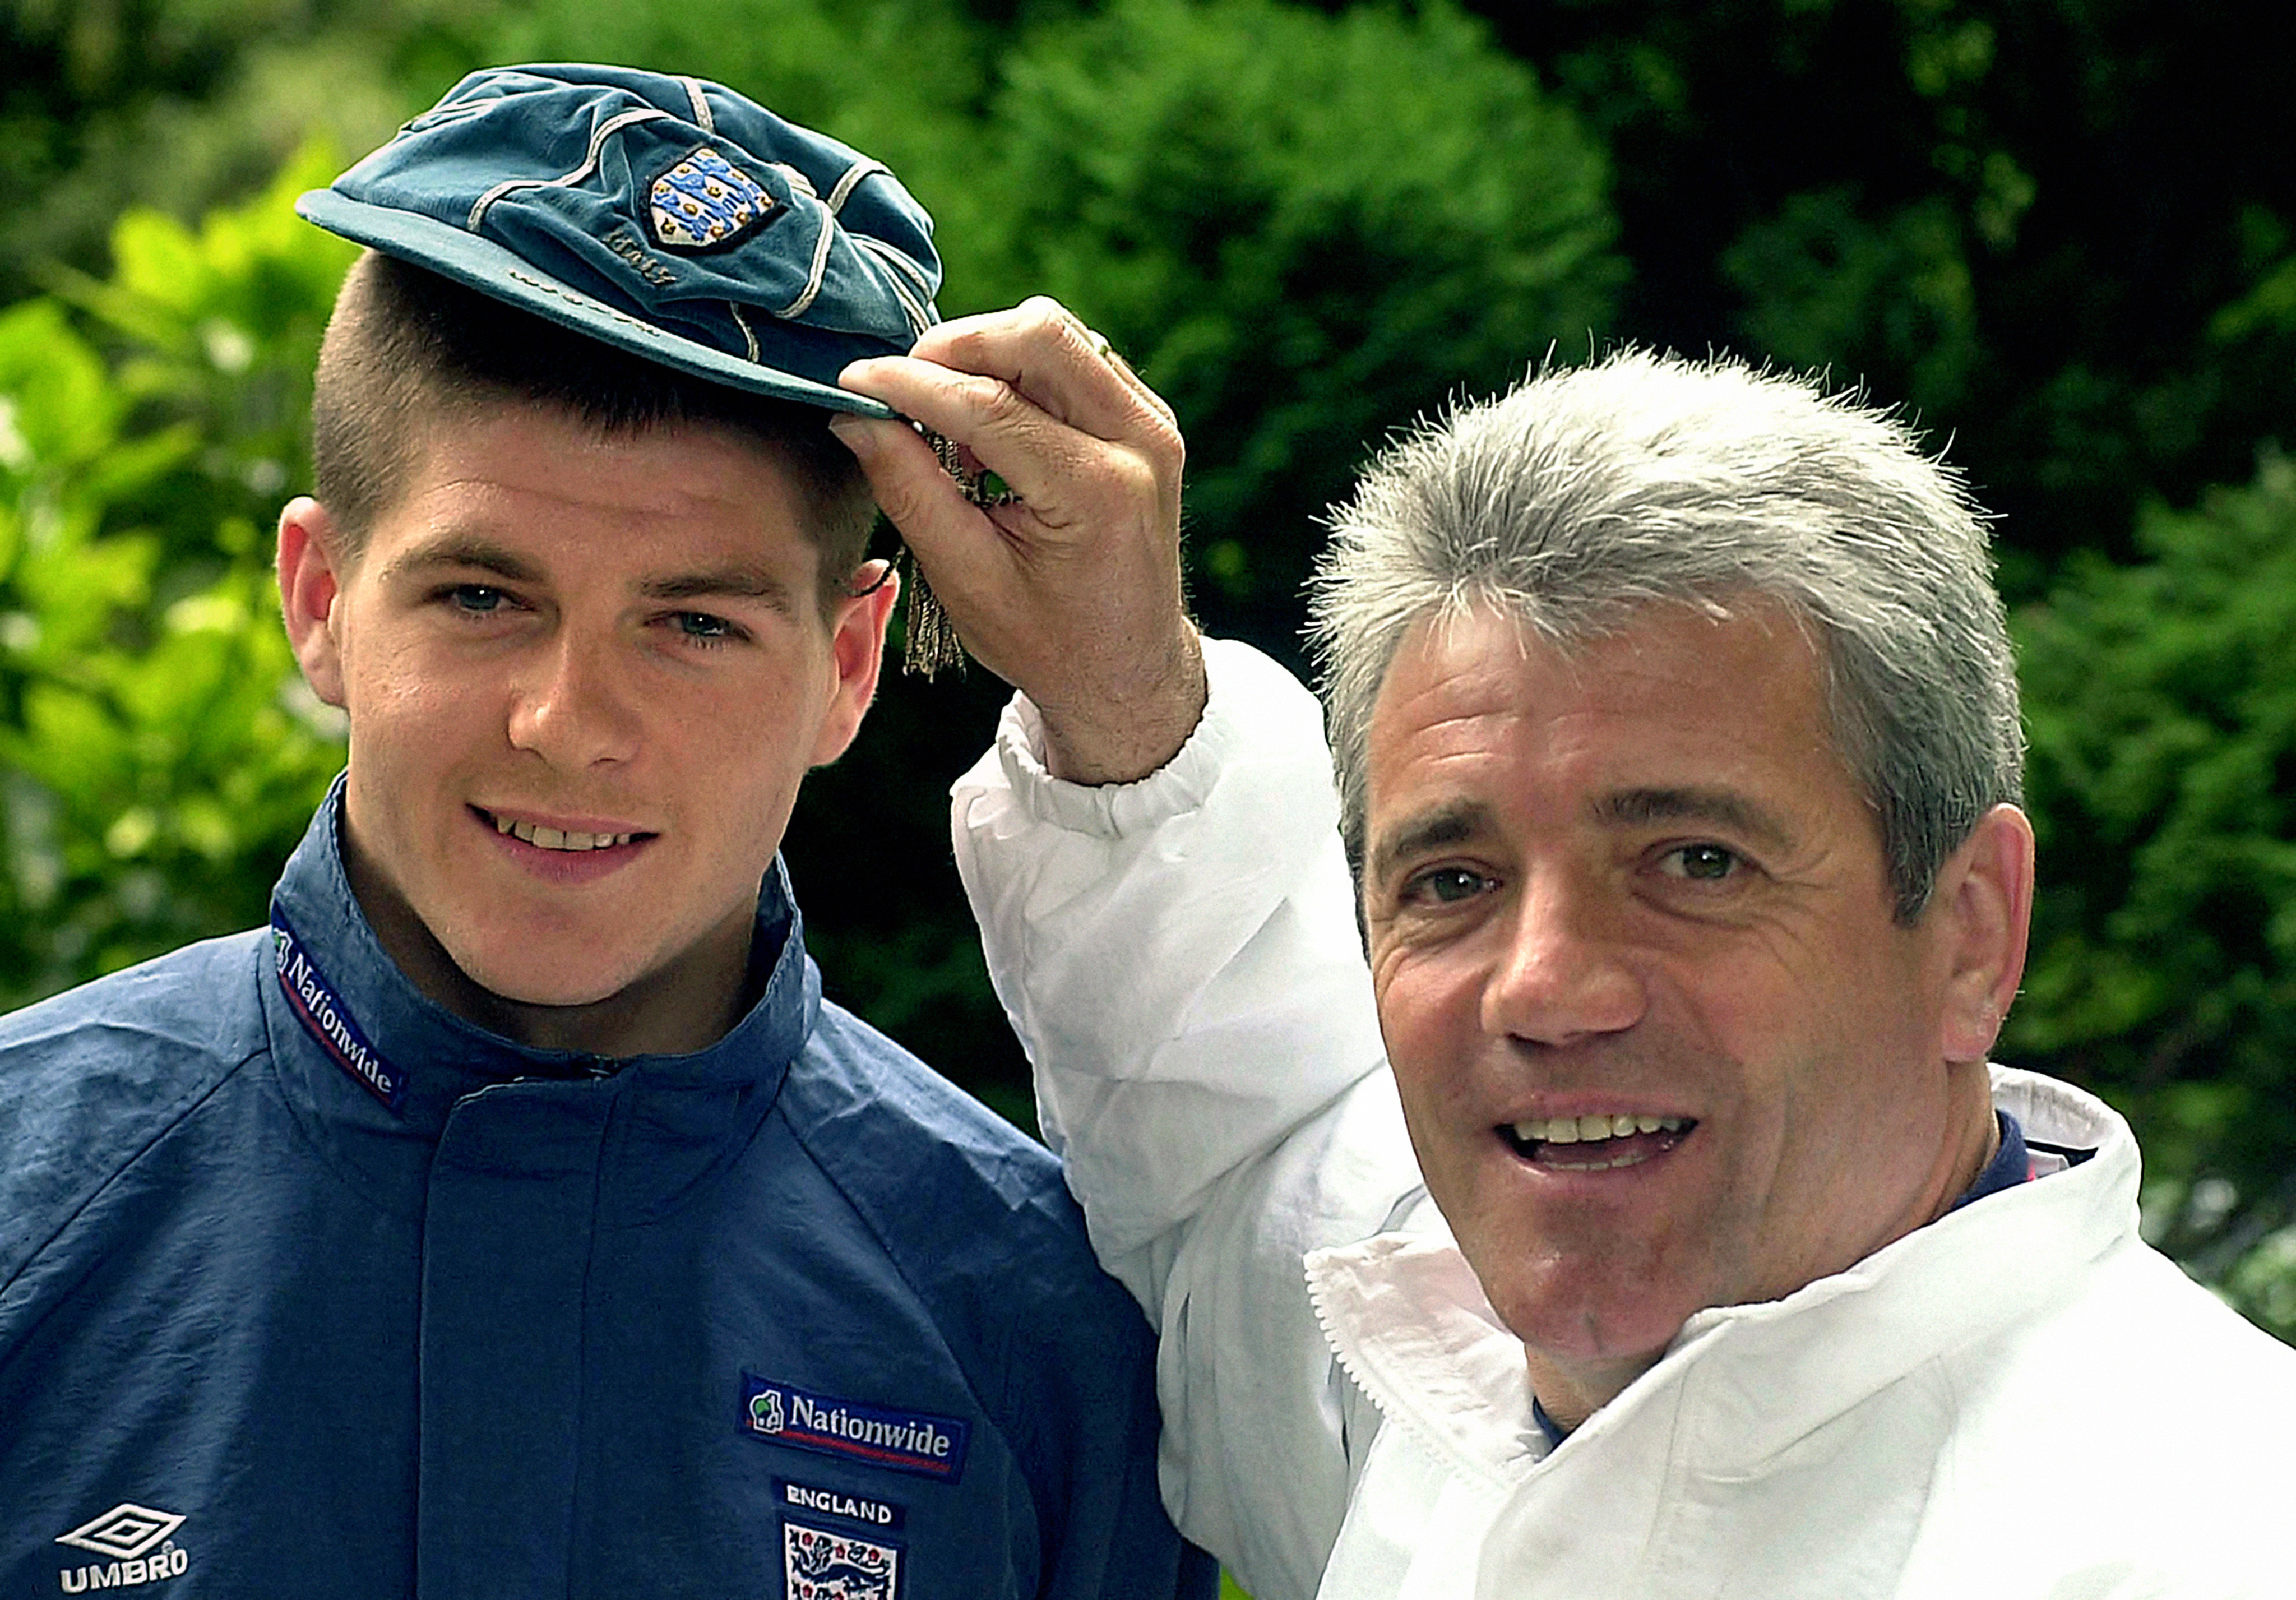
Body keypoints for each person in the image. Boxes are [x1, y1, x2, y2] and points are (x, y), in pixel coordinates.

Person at [834, 330, 2296, 1599]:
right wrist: (1121, 688)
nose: (1545, 988)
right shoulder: (1416, 1368)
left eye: (1693, 863)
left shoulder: (2217, 1537)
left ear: (1972, 929)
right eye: (1453, 881)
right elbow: (1230, 1143)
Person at [0, 65, 1204, 1600]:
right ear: (318, 605)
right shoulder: (26, 1199)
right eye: (483, 598)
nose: (568, 726)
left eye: (693, 623)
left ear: (847, 665)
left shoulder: (1038, 1328)